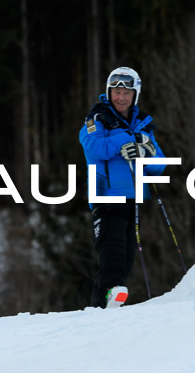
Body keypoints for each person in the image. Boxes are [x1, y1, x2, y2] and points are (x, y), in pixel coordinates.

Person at [79, 67, 165, 309]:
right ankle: (105, 301)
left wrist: (146, 151)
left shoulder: (143, 124)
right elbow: (93, 148)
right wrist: (128, 140)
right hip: (106, 196)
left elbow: (160, 165)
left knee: (126, 258)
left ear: (134, 95)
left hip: (133, 198)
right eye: (117, 91)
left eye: (127, 93)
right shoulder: (98, 118)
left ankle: (107, 306)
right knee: (112, 255)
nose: (121, 97)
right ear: (109, 92)